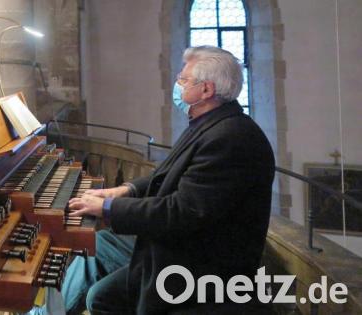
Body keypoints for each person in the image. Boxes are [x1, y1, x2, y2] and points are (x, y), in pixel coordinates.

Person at [68, 46, 275, 314]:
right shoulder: (209, 123)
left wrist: (108, 209)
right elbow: (164, 177)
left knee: (102, 297)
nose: (177, 85)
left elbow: (182, 211)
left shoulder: (230, 138)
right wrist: (124, 190)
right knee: (101, 251)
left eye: (184, 80)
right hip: (182, 247)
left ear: (206, 90)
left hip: (202, 267)